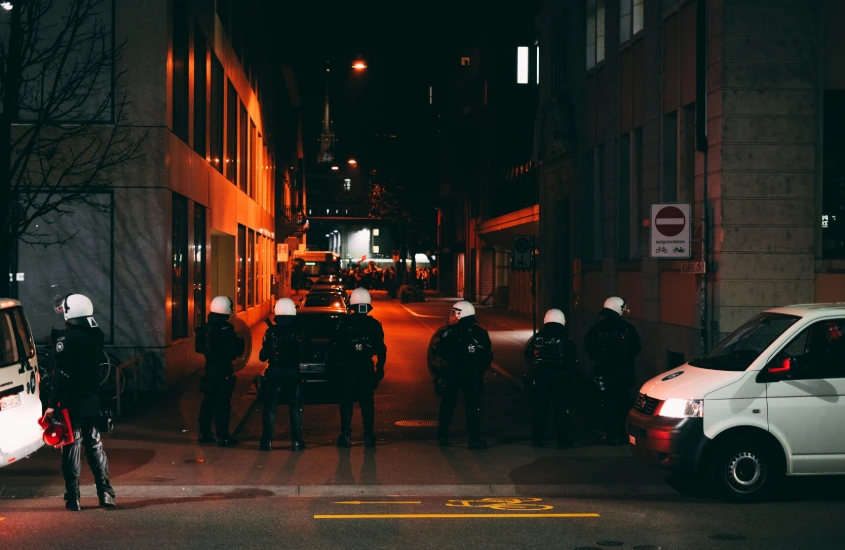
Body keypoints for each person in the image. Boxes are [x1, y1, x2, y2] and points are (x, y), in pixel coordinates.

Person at [44, 293, 116, 511]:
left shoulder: (67, 339)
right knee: (95, 446)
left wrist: (52, 404)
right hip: (92, 400)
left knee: (72, 448)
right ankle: (105, 494)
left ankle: (73, 497)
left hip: (71, 404)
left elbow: (62, 375)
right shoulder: (97, 335)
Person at [431, 301, 493, 450]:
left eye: (455, 313)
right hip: (472, 373)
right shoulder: (480, 333)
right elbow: (487, 355)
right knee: (473, 405)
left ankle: (442, 435)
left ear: (461, 314)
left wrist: (441, 371)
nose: (453, 316)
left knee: (448, 403)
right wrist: (479, 371)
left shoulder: (449, 332)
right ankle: (474, 438)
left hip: (453, 371)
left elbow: (437, 350)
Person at [330, 288, 387, 448]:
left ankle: (346, 435)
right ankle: (369, 435)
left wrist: (333, 368)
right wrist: (380, 369)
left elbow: (334, 347)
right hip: (366, 367)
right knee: (367, 402)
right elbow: (381, 349)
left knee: (346, 401)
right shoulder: (374, 325)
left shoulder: (344, 323)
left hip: (347, 367)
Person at [584, 296, 641, 445]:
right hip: (623, 372)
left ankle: (610, 434)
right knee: (623, 403)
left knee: (606, 403)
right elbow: (636, 349)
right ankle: (622, 434)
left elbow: (589, 347)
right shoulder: (628, 328)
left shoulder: (597, 328)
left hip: (603, 371)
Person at [524, 309, 580, 449]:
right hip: (560, 379)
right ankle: (563, 440)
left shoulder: (537, 337)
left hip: (541, 377)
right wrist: (572, 377)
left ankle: (537, 438)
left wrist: (534, 371)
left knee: (540, 409)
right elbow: (572, 360)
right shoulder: (565, 339)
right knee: (561, 410)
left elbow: (528, 353)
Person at [195, 296, 245, 447]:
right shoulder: (226, 328)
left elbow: (199, 348)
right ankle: (223, 436)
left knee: (208, 401)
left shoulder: (204, 327)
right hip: (223, 369)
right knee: (222, 403)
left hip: (209, 368)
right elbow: (235, 350)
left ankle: (204, 433)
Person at [259, 298, 306, 452]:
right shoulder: (299, 331)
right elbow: (307, 351)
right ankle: (297, 441)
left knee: (271, 407)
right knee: (295, 406)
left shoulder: (270, 332)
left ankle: (267, 441)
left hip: (274, 372)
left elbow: (262, 356)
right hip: (293, 372)